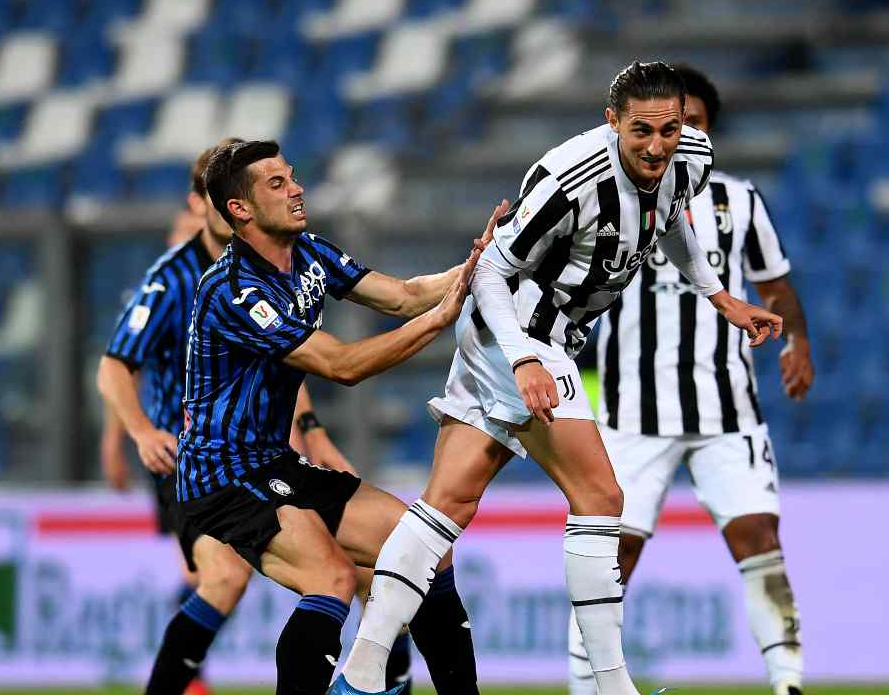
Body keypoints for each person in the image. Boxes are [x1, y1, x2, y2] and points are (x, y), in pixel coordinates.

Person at [337, 61, 784, 695]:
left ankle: (357, 676)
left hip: (541, 340)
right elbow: (490, 270)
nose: (658, 146)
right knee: (601, 498)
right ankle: (612, 686)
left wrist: (720, 298)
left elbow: (672, 222)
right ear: (612, 123)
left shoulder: (689, 158)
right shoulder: (568, 180)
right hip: (516, 332)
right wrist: (522, 358)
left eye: (670, 129)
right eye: (641, 132)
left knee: (446, 508)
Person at [175, 139, 498, 695]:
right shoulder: (231, 290)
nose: (296, 188)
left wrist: (485, 260)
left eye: (292, 176)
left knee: (427, 550)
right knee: (332, 579)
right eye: (276, 184)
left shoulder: (309, 252)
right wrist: (438, 322)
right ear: (240, 210)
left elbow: (402, 296)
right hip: (221, 476)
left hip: (273, 461)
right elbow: (340, 365)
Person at [98, 139, 389, 695]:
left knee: (364, 571)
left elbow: (285, 365)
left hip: (261, 456)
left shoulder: (276, 262)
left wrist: (310, 432)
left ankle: (373, 678)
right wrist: (131, 433)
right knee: (227, 578)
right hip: (194, 459)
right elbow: (115, 367)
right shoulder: (173, 279)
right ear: (203, 203)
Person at [567, 64, 813, 695]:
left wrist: (799, 343)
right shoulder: (612, 193)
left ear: (705, 131)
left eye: (691, 125)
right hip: (630, 410)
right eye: (666, 126)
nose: (673, 140)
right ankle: (585, 684)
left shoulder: (741, 199)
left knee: (760, 537)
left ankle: (788, 682)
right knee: (612, 558)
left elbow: (775, 283)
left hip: (726, 411)